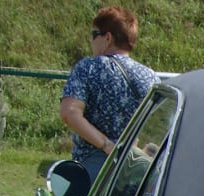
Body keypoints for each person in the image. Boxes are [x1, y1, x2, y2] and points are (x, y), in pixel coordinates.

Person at [60, 7, 159, 182]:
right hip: (133, 171)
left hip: (92, 168)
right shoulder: (150, 77)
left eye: (94, 34)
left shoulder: (88, 68)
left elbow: (69, 113)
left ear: (107, 38)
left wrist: (107, 145)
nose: (91, 40)